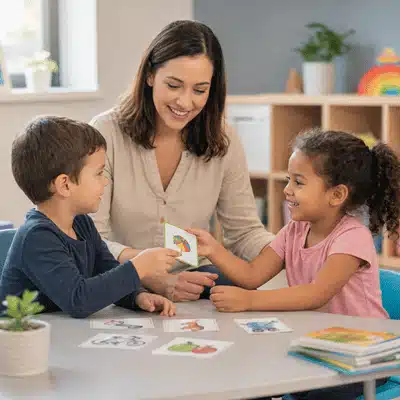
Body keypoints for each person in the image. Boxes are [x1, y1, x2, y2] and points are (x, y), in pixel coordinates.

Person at [189, 128, 400, 400]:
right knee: (253, 379)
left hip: (364, 355)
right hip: (317, 346)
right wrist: (213, 249)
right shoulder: (294, 230)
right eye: (289, 180)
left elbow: (315, 294)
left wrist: (249, 301)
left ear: (336, 195)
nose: (287, 190)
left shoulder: (353, 237)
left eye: (298, 183)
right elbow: (252, 274)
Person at [90, 20, 274, 301]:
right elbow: (92, 240)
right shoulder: (106, 133)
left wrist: (293, 251)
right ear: (150, 75)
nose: (185, 103)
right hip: (123, 280)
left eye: (199, 90)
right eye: (174, 85)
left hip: (196, 280)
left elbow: (245, 231)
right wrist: (150, 273)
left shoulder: (223, 139)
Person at [0, 116, 179, 318]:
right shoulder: (36, 237)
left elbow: (106, 271)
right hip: (22, 340)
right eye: (99, 173)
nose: (105, 182)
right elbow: (79, 300)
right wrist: (139, 267)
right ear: (65, 185)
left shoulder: (81, 222)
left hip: (62, 335)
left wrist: (137, 296)